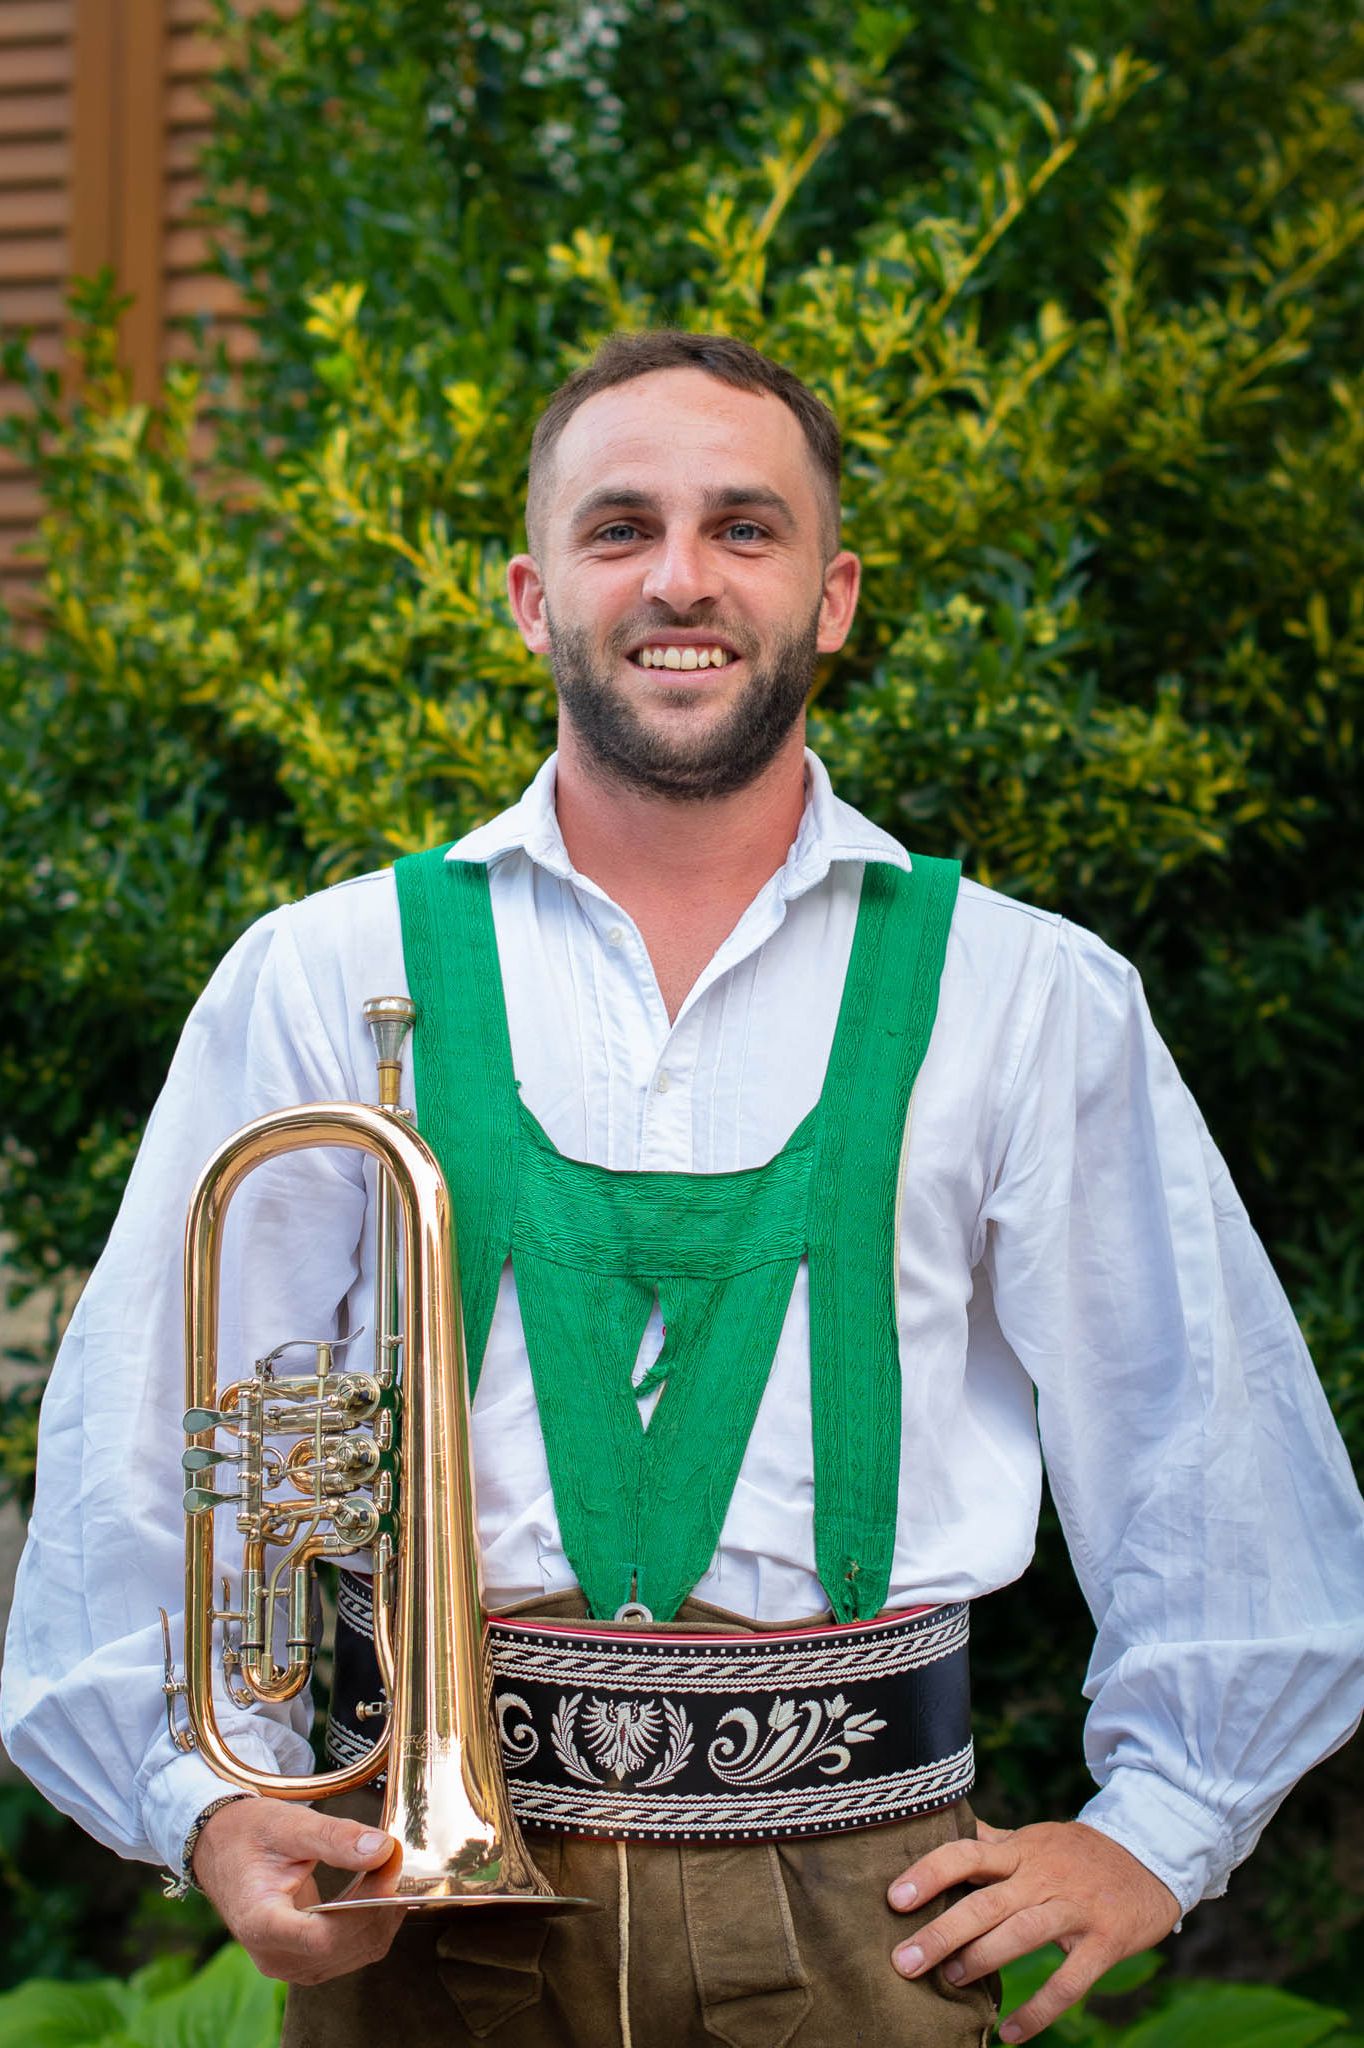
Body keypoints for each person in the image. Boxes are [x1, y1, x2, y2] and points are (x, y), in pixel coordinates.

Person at [4, 330, 1363, 2048]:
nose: (680, 578)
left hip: (866, 1910)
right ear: (531, 597)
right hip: (405, 1897)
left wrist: (1160, 1832)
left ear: (833, 594)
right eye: (618, 527)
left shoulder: (1028, 992)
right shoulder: (321, 970)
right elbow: (143, 1439)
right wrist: (203, 1802)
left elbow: (1206, 1437)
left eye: (744, 526)